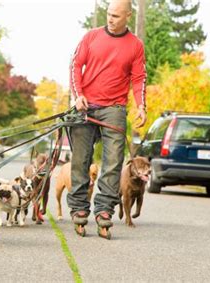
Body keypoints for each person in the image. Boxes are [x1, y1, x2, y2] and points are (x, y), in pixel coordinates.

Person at [67, 0, 147, 239]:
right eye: (109, 14)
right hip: (86, 106)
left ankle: (104, 210)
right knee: (81, 160)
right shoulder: (91, 37)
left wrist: (141, 105)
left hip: (115, 108)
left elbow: (139, 77)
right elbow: (75, 66)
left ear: (128, 17)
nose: (110, 19)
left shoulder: (135, 45)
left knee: (113, 162)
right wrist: (78, 95)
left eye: (115, 16)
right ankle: (79, 208)